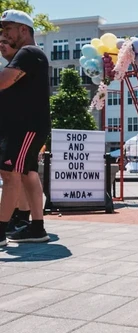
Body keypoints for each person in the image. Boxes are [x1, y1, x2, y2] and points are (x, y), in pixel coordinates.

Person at [0, 10, 51, 244]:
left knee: (10, 174)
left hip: (26, 127)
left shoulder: (28, 52)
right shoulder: (27, 55)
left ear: (23, 30)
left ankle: (2, 231)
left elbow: (3, 82)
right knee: (27, 174)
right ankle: (36, 228)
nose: (4, 34)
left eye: (7, 29)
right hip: (25, 126)